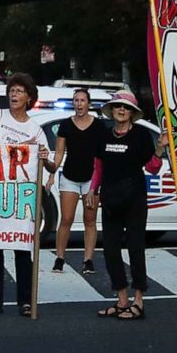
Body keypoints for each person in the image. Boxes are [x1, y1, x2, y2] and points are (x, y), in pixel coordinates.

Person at [0, 73, 56, 316]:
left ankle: (25, 300)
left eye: (20, 91)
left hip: (22, 196)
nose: (14, 94)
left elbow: (50, 165)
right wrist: (24, 147)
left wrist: (42, 156)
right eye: (12, 90)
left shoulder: (36, 129)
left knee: (22, 249)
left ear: (29, 98)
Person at [93, 91, 160, 320]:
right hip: (110, 199)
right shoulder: (104, 135)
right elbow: (99, 166)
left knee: (135, 248)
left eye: (125, 107)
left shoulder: (140, 135)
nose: (121, 110)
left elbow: (152, 168)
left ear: (132, 113)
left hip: (134, 199)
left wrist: (160, 150)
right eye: (117, 107)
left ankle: (138, 300)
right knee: (110, 250)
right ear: (111, 111)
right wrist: (93, 190)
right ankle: (121, 299)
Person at [51, 88, 106, 275]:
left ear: (88, 103)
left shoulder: (99, 126)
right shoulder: (66, 125)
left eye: (82, 100)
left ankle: (88, 260)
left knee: (90, 220)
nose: (79, 104)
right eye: (76, 100)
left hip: (91, 178)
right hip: (69, 176)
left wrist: (99, 181)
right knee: (66, 218)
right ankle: (59, 258)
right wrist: (52, 169)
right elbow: (59, 153)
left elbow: (103, 155)